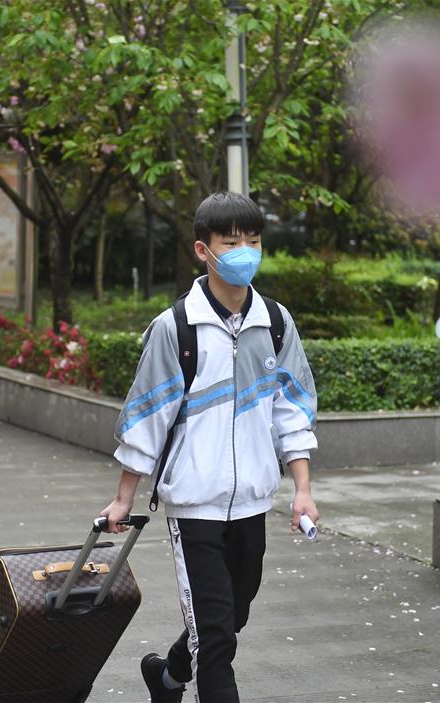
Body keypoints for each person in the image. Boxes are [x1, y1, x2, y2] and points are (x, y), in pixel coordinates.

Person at [100, 192, 320, 703]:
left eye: (254, 240)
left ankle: (167, 675)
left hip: (252, 503)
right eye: (232, 241)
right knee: (217, 638)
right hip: (194, 504)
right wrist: (124, 497)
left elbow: (292, 411)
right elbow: (146, 417)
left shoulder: (276, 323)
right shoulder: (174, 328)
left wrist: (303, 489)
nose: (245, 250)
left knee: (231, 615)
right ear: (204, 250)